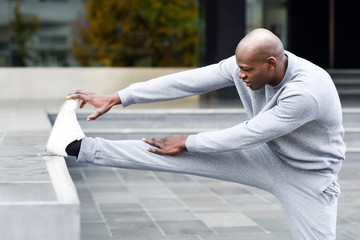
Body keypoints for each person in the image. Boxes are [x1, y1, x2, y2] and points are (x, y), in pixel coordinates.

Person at [45, 28, 345, 239]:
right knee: (166, 152)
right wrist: (120, 96)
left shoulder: (306, 93)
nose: (239, 75)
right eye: (238, 67)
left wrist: (188, 141)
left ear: (271, 64)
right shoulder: (248, 63)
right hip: (267, 154)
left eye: (246, 71)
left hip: (309, 178)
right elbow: (191, 81)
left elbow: (250, 133)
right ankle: (77, 147)